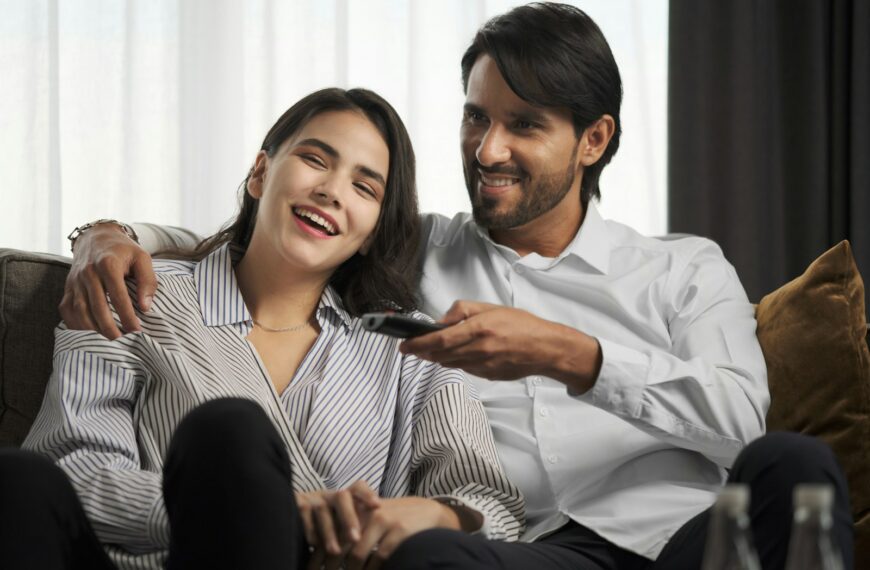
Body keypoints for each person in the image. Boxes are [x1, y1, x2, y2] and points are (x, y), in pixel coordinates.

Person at [54, 3, 854, 569]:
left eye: (525, 124)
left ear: (594, 140)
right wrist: (107, 237)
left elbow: (739, 419)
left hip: (687, 540)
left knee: (795, 468)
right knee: (430, 557)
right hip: (528, 554)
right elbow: (277, 229)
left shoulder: (684, 268)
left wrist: (570, 354)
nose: (488, 149)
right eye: (477, 118)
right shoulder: (416, 247)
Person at [0, 87, 524, 570]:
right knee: (21, 478)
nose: (331, 191)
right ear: (260, 173)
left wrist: (429, 515)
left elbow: (490, 504)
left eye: (364, 187)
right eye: (315, 160)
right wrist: (256, 511)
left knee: (229, 429)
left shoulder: (412, 349)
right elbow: (77, 470)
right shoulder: (130, 295)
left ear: (371, 232)